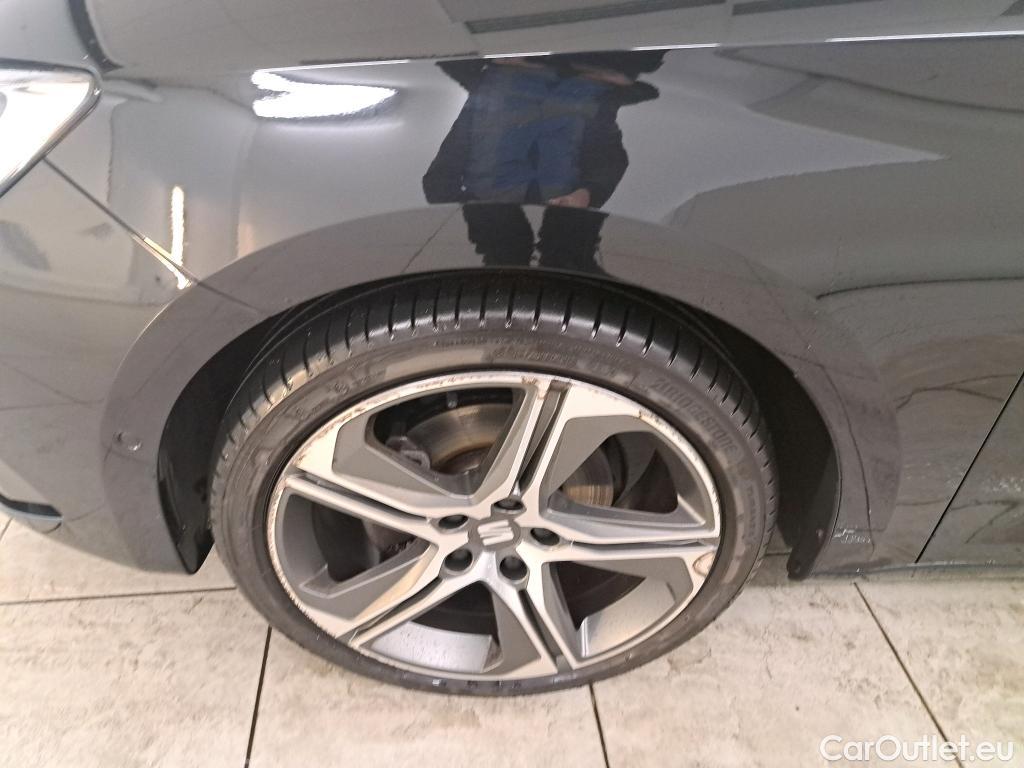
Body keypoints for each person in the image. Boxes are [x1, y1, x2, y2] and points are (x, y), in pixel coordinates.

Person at [423, 52, 664, 270]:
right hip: (600, 63)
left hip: (519, 53)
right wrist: (585, 195)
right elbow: (609, 160)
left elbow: (438, 181)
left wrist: (496, 59)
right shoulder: (566, 210)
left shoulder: (477, 197)